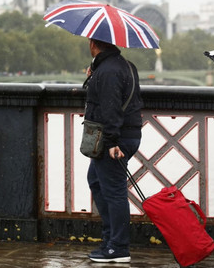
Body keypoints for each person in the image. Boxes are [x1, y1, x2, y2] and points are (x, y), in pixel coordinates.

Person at [83, 38, 143, 264]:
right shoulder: (123, 65)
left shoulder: (108, 71)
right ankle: (110, 240)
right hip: (125, 134)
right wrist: (93, 75)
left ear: (93, 43)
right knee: (97, 181)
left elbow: (110, 108)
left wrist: (111, 142)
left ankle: (118, 247)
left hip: (114, 139)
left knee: (114, 191)